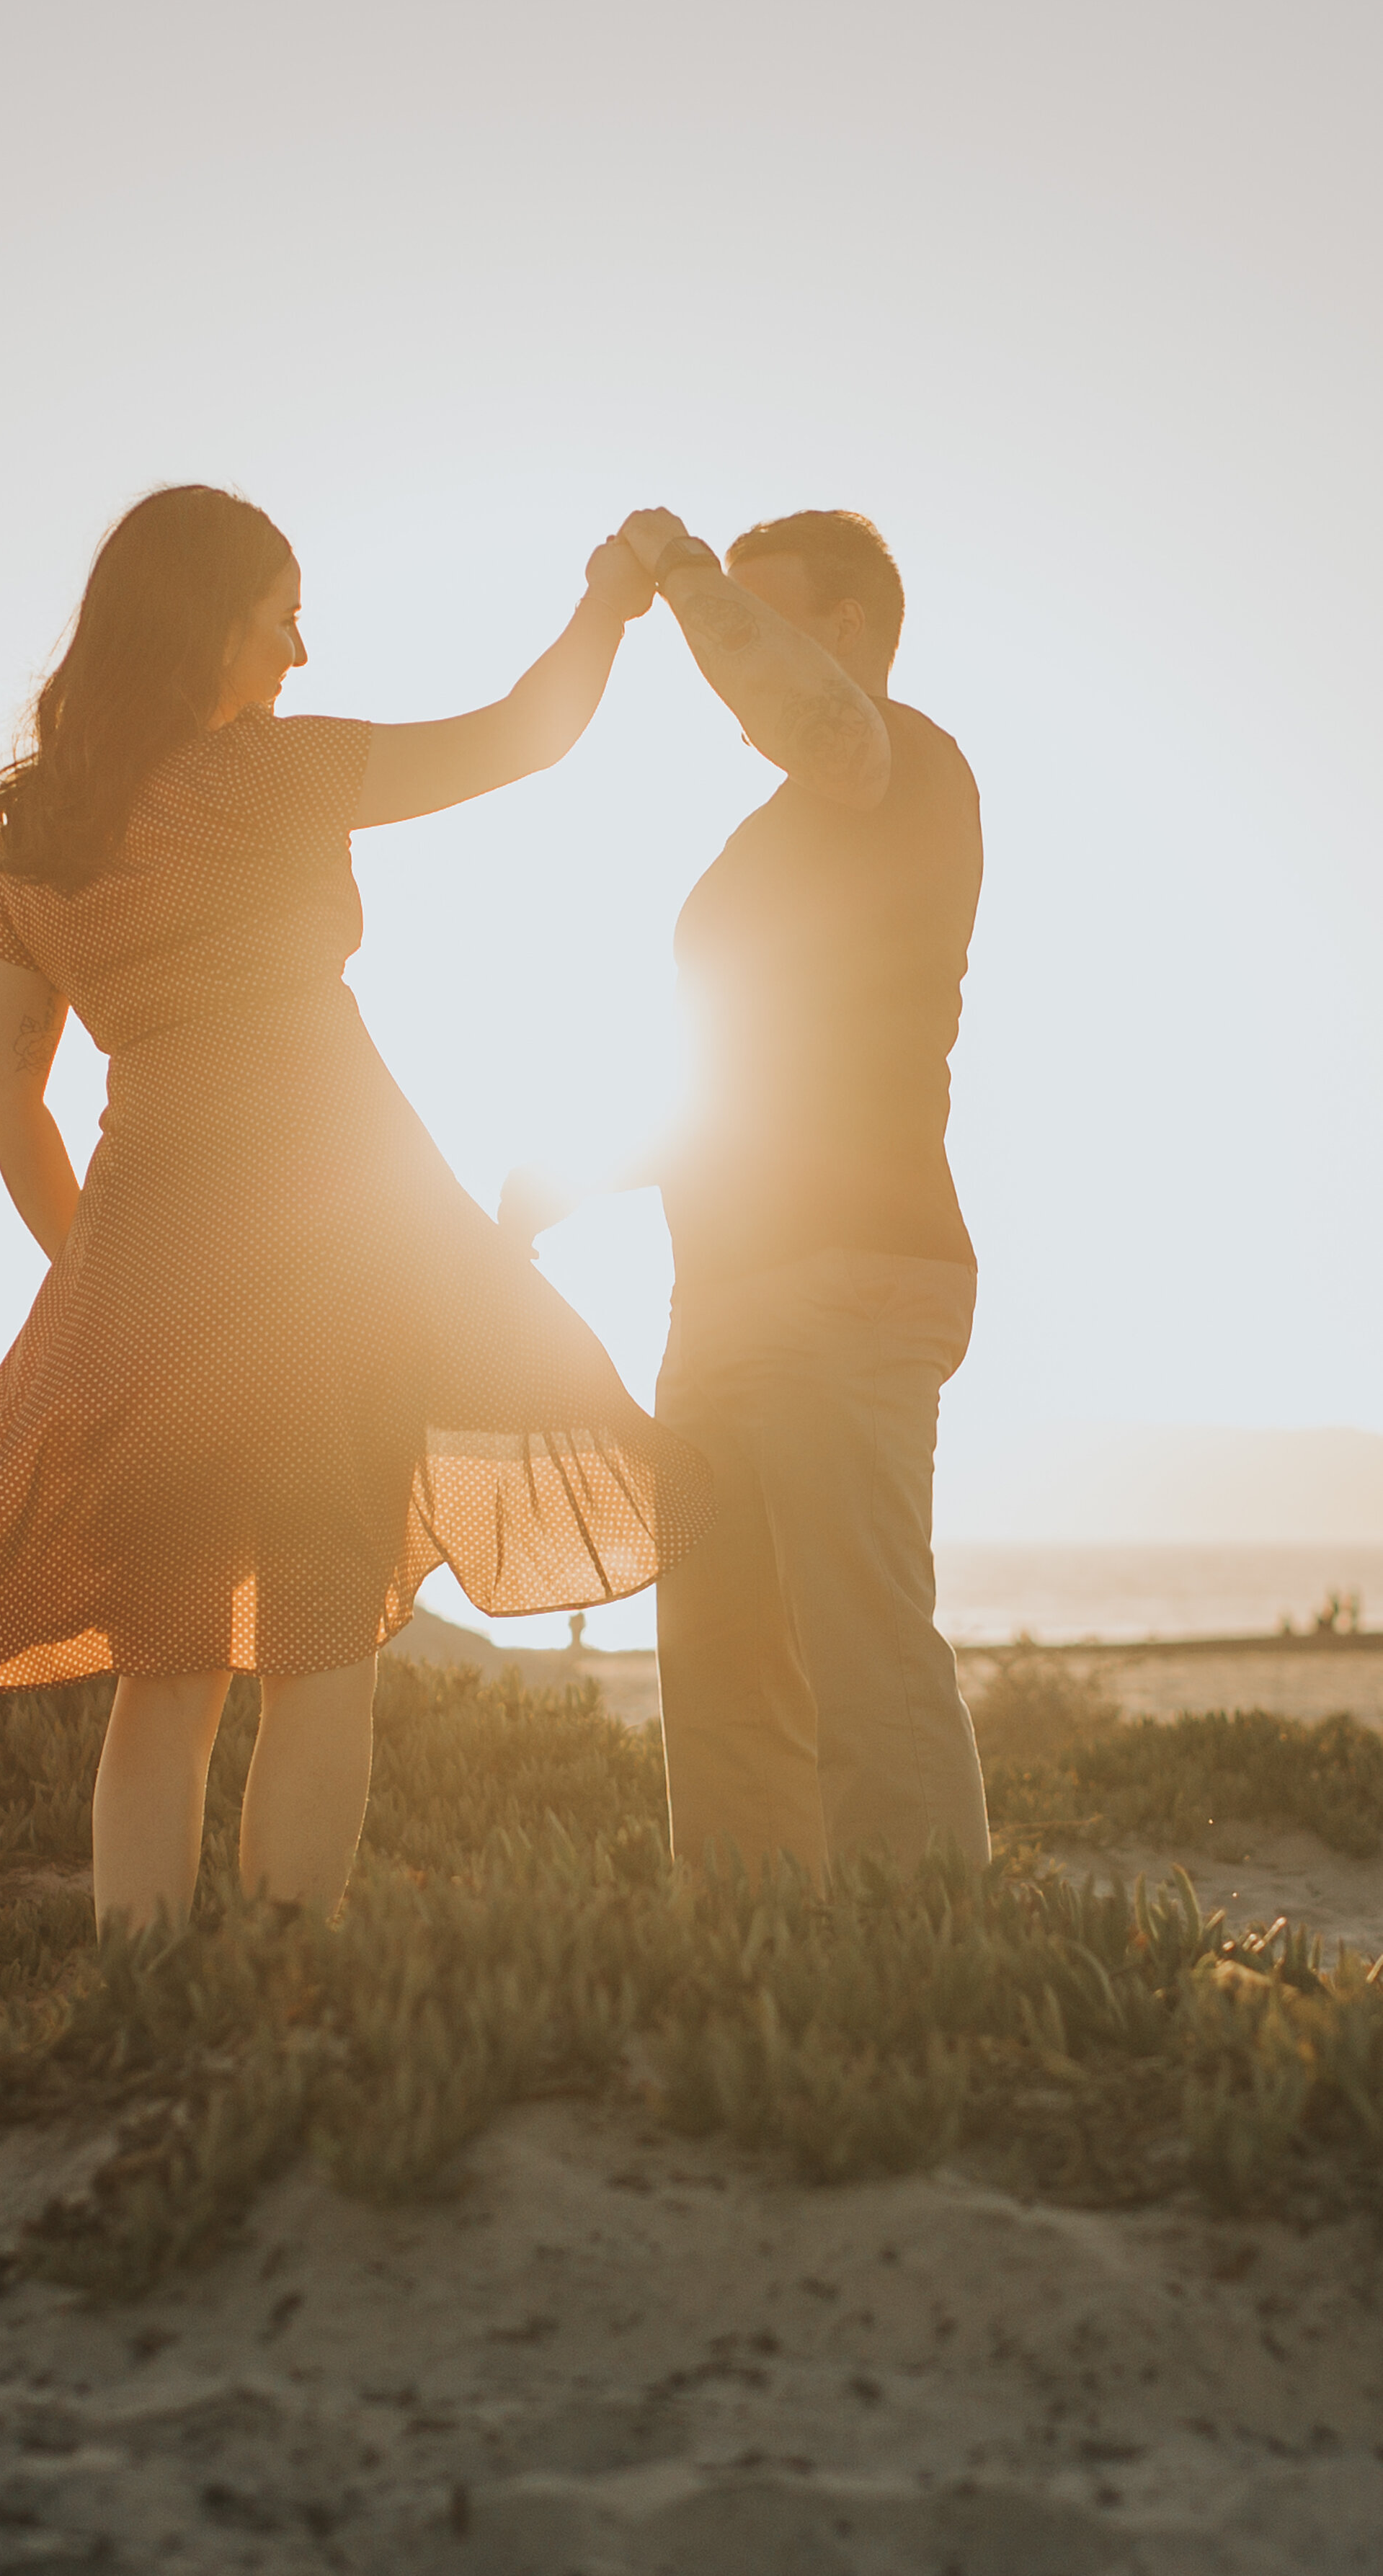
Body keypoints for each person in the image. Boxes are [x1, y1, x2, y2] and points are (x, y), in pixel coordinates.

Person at [0, 486, 712, 1931]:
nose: (300, 651)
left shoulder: (32, 843)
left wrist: (94, 1269)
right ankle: (279, 1992)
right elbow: (525, 734)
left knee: (164, 1671)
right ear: (206, 624)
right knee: (320, 1646)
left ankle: (141, 2011)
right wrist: (607, 600)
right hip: (332, 1255)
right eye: (282, 612)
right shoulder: (267, 776)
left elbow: (4, 1097)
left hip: (146, 1267)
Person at [501, 507, 989, 1884]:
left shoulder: (908, 767)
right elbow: (733, 1081)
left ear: (844, 633)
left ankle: (929, 1971)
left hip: (857, 1273)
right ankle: (752, 1968)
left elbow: (828, 731)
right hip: (715, 1295)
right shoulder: (753, 848)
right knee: (720, 1670)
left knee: (862, 1647)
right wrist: (580, 1168)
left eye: (761, 625)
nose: (718, 665)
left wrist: (688, 572)